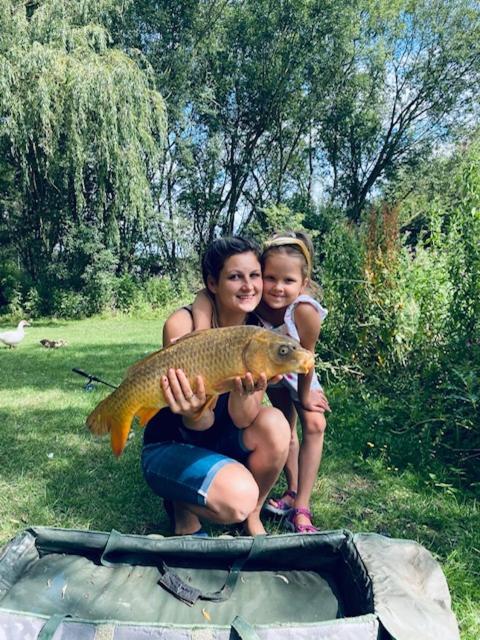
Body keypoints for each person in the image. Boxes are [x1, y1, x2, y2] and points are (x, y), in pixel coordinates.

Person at [141, 237, 291, 537]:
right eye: (235, 277)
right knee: (237, 497)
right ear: (213, 283)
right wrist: (196, 410)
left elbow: (242, 420)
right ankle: (182, 507)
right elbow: (197, 423)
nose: (249, 286)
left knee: (276, 424)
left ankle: (252, 516)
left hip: (216, 437)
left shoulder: (258, 336)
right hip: (174, 440)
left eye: (254, 275)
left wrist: (245, 394)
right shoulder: (182, 324)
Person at [191, 231, 330, 533]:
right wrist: (201, 334)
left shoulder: (305, 311)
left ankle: (302, 506)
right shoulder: (253, 302)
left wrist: (306, 397)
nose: (277, 288)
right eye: (269, 278)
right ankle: (291, 490)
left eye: (288, 281)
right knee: (286, 427)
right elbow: (205, 294)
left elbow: (307, 359)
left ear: (303, 283)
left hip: (295, 366)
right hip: (266, 367)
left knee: (314, 424)